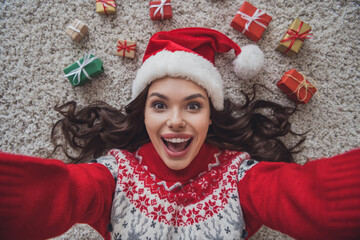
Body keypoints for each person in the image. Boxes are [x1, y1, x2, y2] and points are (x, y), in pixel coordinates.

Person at [0, 28, 359, 240]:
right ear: (143, 114)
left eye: (192, 106)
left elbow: (309, 198)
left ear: (209, 118)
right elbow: (56, 192)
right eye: (159, 105)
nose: (175, 121)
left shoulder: (241, 175)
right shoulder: (112, 174)